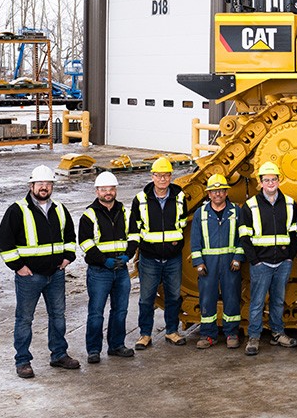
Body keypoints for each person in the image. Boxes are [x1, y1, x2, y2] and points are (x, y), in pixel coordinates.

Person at [0, 165, 79, 379]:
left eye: (48, 184)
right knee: (24, 318)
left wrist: (67, 258)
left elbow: (70, 237)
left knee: (58, 316)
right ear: (31, 185)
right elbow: (4, 243)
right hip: (29, 277)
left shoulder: (59, 208)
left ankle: (59, 355)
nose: (44, 187)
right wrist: (19, 267)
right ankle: (23, 361)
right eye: (40, 184)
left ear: (52, 186)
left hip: (56, 274)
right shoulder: (17, 210)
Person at [239, 161, 297, 355]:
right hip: (261, 263)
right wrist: (254, 260)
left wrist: (289, 257)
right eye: (267, 180)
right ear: (261, 182)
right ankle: (254, 336)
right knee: (257, 301)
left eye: (274, 179)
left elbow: (294, 233)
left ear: (279, 181)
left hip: (282, 262)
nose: (270, 183)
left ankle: (277, 333)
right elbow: (244, 236)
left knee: (278, 300)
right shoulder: (250, 205)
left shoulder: (289, 204)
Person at [78, 171, 136, 364]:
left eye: (111, 189)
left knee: (120, 310)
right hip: (99, 271)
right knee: (96, 312)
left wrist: (128, 255)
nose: (108, 192)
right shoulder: (89, 215)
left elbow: (134, 236)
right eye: (104, 189)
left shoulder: (125, 212)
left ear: (115, 190)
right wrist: (104, 261)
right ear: (97, 192)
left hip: (121, 269)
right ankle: (93, 350)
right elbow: (85, 243)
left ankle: (116, 345)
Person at [130, 156, 187, 350]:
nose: (162, 179)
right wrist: (139, 251)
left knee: (173, 296)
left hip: (172, 257)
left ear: (171, 176)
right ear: (152, 176)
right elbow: (135, 228)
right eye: (159, 175)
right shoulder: (140, 199)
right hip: (149, 258)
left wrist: (175, 244)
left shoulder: (179, 197)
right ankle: (145, 334)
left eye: (166, 175)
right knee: (146, 298)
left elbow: (182, 223)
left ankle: (172, 331)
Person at [190, 173, 244, 350]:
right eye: (214, 191)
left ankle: (231, 333)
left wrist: (237, 258)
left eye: (221, 191)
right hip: (208, 264)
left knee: (232, 298)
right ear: (208, 194)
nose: (218, 194)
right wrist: (198, 262)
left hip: (230, 263)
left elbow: (242, 238)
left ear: (226, 193)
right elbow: (195, 239)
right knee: (207, 299)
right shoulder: (201, 213)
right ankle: (208, 334)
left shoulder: (236, 211)